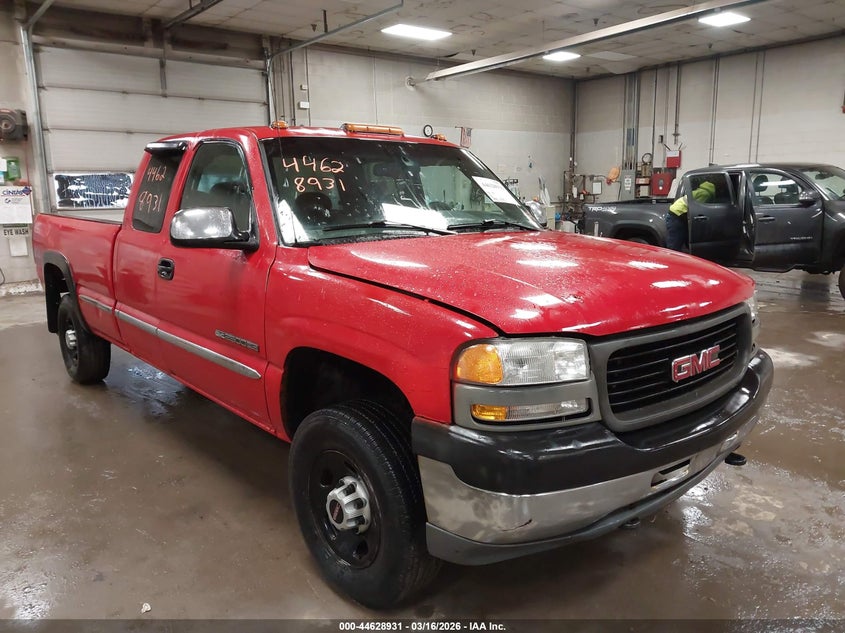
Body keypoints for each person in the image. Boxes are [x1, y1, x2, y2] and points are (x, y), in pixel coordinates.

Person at [666, 180, 715, 251]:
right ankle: (670, 259)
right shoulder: (706, 194)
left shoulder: (701, 190)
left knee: (678, 241)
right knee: (674, 244)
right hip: (677, 214)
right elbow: (698, 207)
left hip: (676, 212)